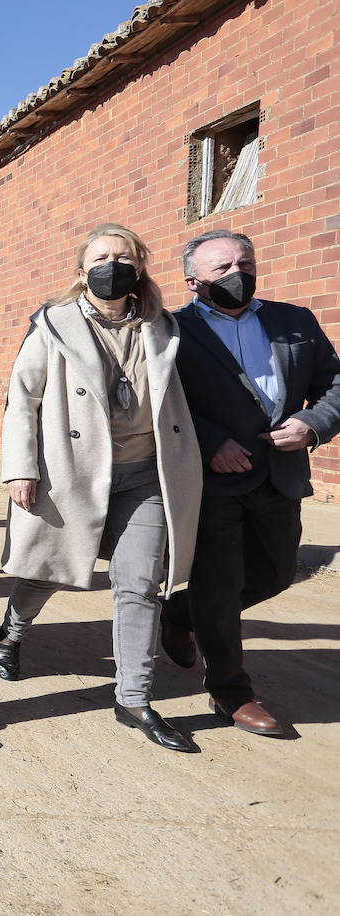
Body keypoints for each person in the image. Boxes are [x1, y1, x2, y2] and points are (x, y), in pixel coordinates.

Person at [0, 223, 202, 752]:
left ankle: (133, 699)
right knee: (52, 569)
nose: (112, 265)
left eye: (123, 256)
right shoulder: (53, 324)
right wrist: (21, 467)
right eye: (101, 257)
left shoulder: (163, 326)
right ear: (81, 271)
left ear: (139, 266)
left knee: (138, 584)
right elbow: (23, 399)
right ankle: (14, 629)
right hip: (74, 470)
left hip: (145, 474)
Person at [160, 229, 340, 737]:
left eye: (246, 263)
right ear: (193, 280)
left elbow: (334, 382)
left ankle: (178, 611)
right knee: (218, 587)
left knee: (276, 575)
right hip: (212, 480)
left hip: (280, 474)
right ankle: (231, 691)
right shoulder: (170, 330)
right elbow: (160, 403)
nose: (237, 274)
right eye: (222, 269)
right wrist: (210, 441)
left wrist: (314, 424)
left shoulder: (294, 321)